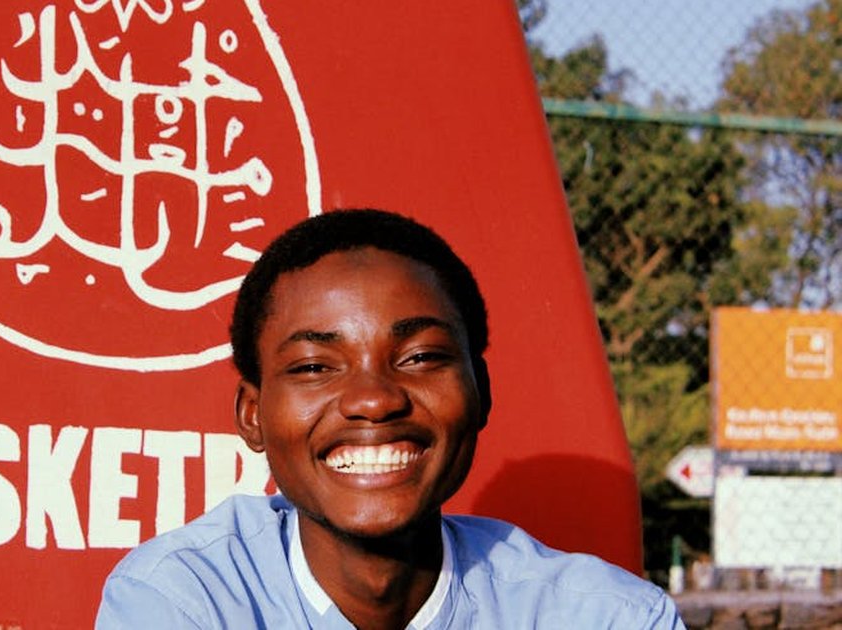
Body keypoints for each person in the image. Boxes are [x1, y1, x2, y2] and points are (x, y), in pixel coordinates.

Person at [96, 209, 684, 629]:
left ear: (480, 391)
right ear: (252, 415)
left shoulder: (608, 617)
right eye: (314, 366)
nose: (373, 400)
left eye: (420, 357)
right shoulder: (182, 601)